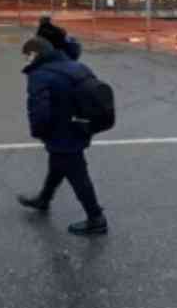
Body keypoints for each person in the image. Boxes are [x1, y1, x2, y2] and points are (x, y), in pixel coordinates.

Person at [16, 37, 108, 236]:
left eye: (26, 56)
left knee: (77, 173)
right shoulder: (77, 66)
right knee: (58, 164)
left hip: (62, 131)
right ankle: (44, 198)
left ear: (34, 55)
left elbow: (38, 110)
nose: (25, 61)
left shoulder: (40, 75)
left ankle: (96, 218)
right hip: (82, 126)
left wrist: (38, 132)